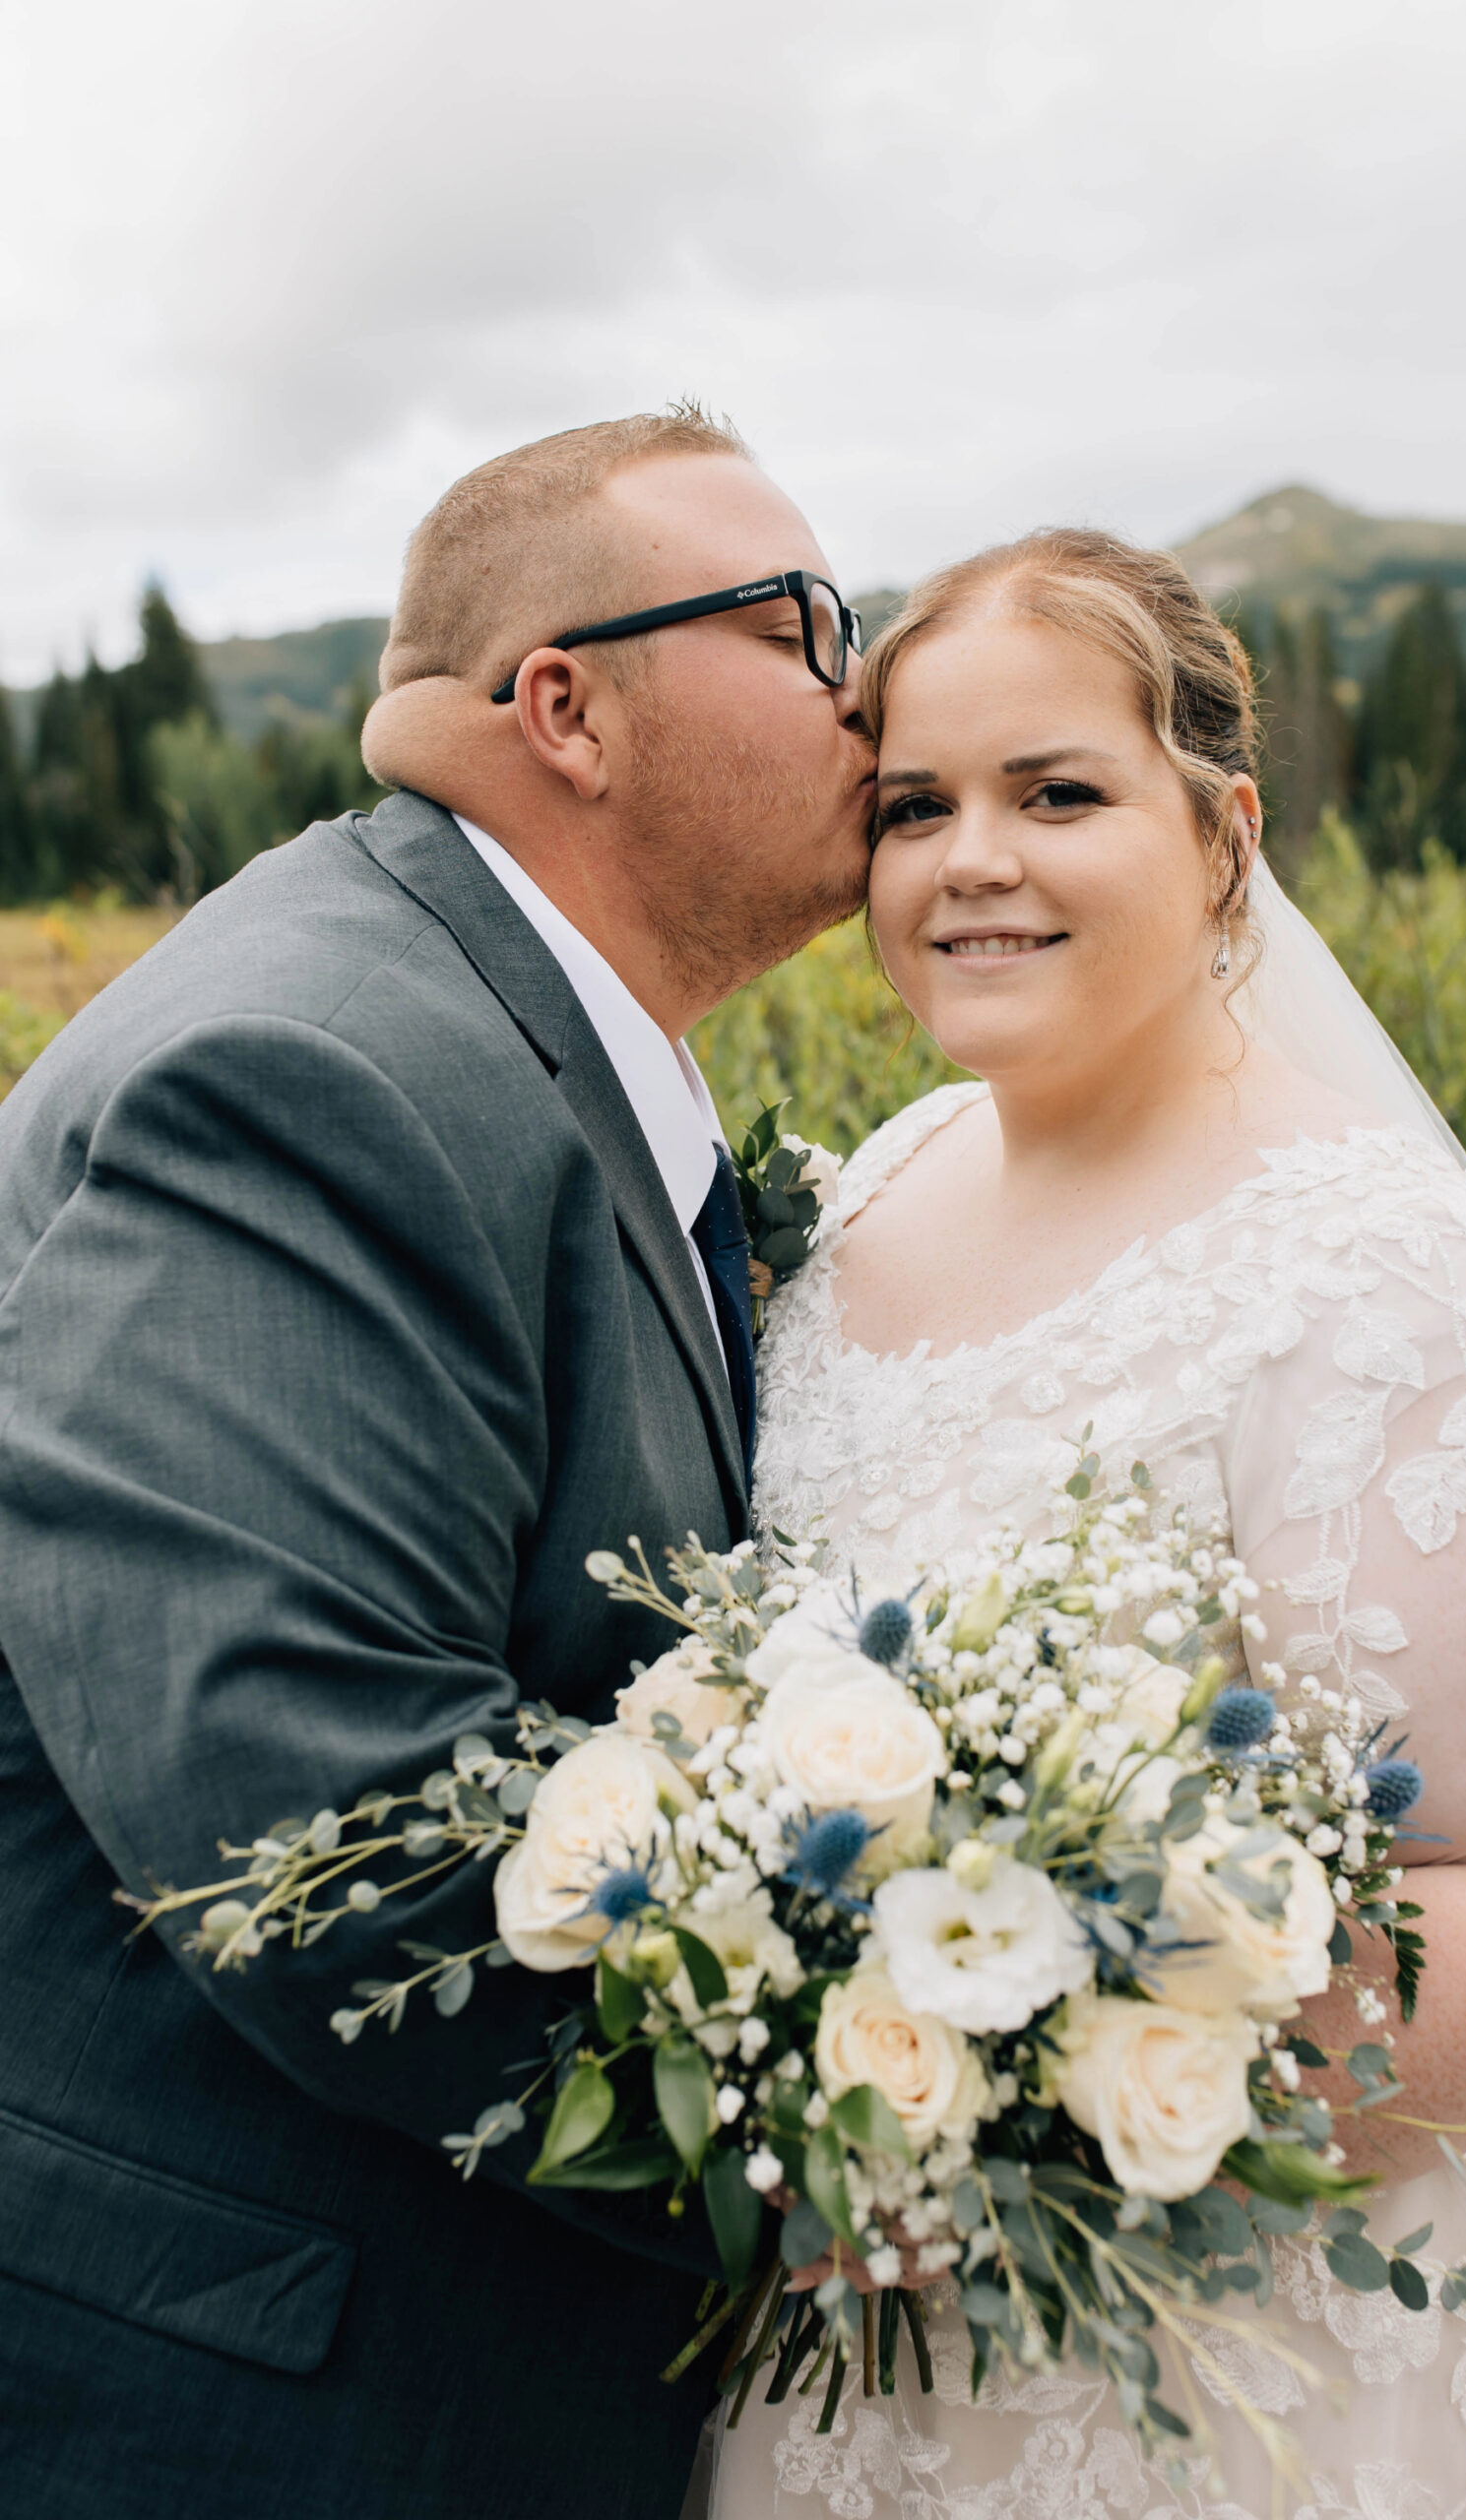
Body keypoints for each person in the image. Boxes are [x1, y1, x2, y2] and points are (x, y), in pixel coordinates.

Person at [699, 530, 1466, 2516]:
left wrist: (1040, 2102)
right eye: (912, 806)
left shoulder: (1395, 1277)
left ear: (1223, 833)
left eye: (1055, 790)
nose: (969, 857)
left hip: (1251, 2360)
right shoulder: (879, 1180)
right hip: (854, 2338)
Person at [0, 408, 874, 2520]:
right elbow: (317, 1815)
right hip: (264, 2399)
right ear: (564, 704)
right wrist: (869, 2159)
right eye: (805, 624)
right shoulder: (308, 1065)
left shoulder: (492, 1024)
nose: (870, 689)